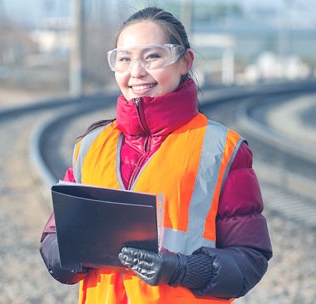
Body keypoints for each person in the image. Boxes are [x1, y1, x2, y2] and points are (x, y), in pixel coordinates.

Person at [39, 7, 272, 303]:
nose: (136, 71)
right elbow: (52, 242)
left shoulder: (221, 149)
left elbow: (249, 258)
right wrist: (74, 251)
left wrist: (181, 269)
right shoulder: (90, 147)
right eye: (124, 59)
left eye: (152, 56)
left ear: (185, 61)